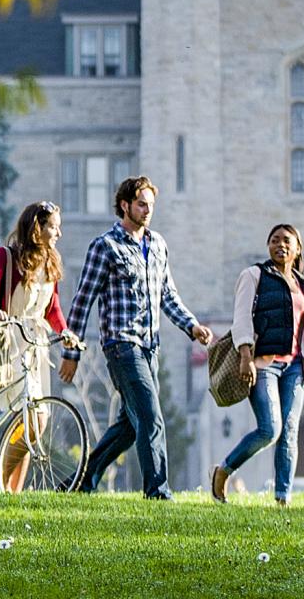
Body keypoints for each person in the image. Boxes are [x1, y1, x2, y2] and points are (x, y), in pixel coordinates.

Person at [60, 175, 212, 500]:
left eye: (151, 205)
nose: (147, 211)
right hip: (121, 346)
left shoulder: (157, 245)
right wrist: (71, 354)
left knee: (130, 427)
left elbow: (167, 296)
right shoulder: (105, 246)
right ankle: (158, 493)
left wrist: (192, 326)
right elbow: (82, 300)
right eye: (142, 204)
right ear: (125, 205)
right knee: (151, 417)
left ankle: (81, 482)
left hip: (150, 348)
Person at [210, 223, 304, 507]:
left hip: (295, 369)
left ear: (298, 249)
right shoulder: (253, 276)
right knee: (269, 429)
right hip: (264, 365)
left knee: (289, 432)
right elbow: (241, 321)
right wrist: (246, 358)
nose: (280, 245)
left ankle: (282, 499)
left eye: (287, 241)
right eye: (274, 240)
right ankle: (224, 470)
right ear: (268, 246)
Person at [0, 200, 76, 492]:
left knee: (32, 423)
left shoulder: (50, 262)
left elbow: (53, 309)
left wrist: (65, 331)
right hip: (9, 342)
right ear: (37, 228)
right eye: (53, 226)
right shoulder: (5, 257)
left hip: (36, 346)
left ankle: (9, 491)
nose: (58, 232)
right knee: (31, 421)